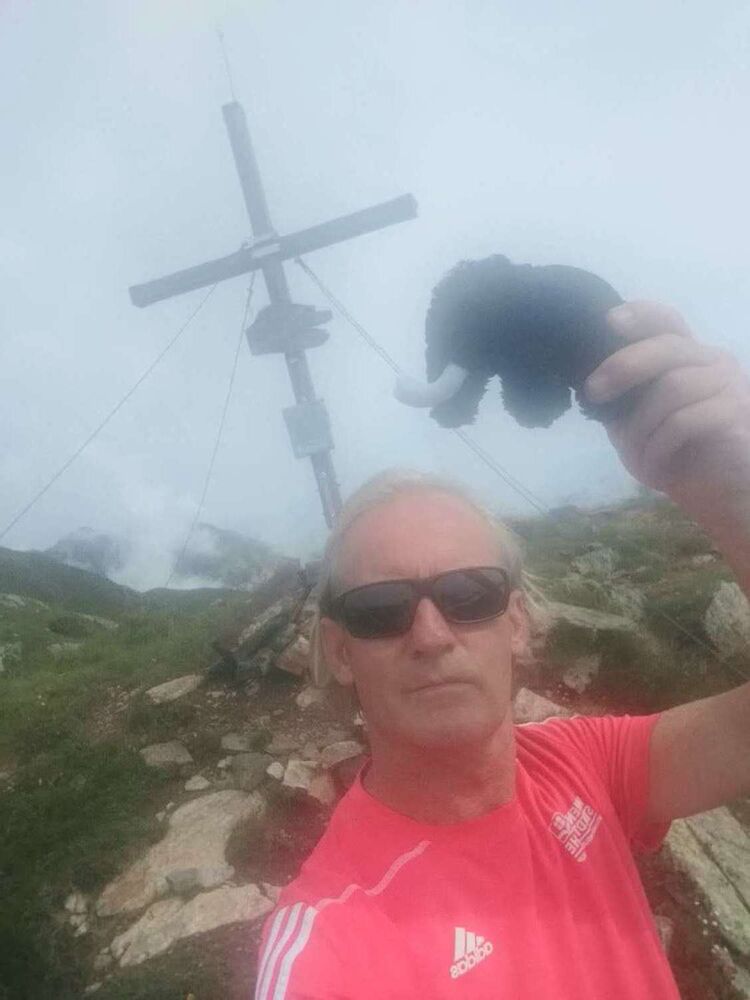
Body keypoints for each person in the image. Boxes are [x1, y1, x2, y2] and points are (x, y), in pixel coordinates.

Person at [255, 301, 750, 999]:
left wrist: (731, 490)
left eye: (470, 594)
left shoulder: (586, 765)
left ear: (516, 622)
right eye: (381, 610)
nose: (431, 636)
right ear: (340, 652)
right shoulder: (333, 946)